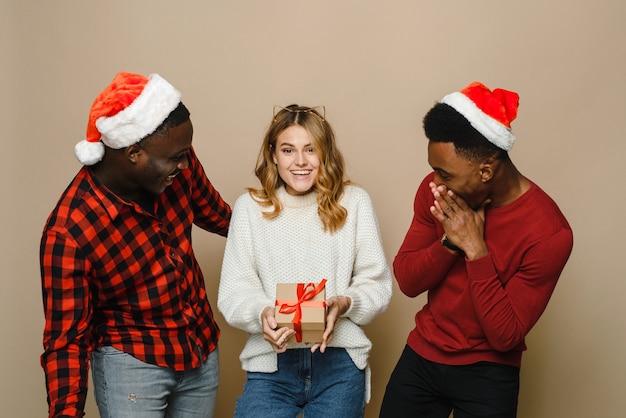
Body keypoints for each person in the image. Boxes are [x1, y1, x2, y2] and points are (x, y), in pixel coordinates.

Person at [39, 71, 231, 418]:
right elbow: (66, 341)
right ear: (133, 152)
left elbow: (221, 218)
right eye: (176, 158)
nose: (186, 164)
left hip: (200, 347)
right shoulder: (69, 231)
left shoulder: (174, 161)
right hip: (132, 362)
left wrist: (294, 230)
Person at [379, 82, 573, 418]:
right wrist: (449, 243)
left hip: (489, 372)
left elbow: (505, 335)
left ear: (486, 170)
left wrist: (476, 249)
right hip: (422, 357)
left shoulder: (549, 233)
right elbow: (408, 281)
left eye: (445, 174)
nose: (434, 183)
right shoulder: (436, 194)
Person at [218, 104, 392, 417]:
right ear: (273, 154)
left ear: (325, 153)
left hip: (339, 362)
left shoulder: (354, 202)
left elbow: (376, 285)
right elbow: (234, 290)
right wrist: (263, 314)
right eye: (288, 150)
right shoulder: (249, 208)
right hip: (271, 364)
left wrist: (344, 303)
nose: (300, 161)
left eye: (311, 149)